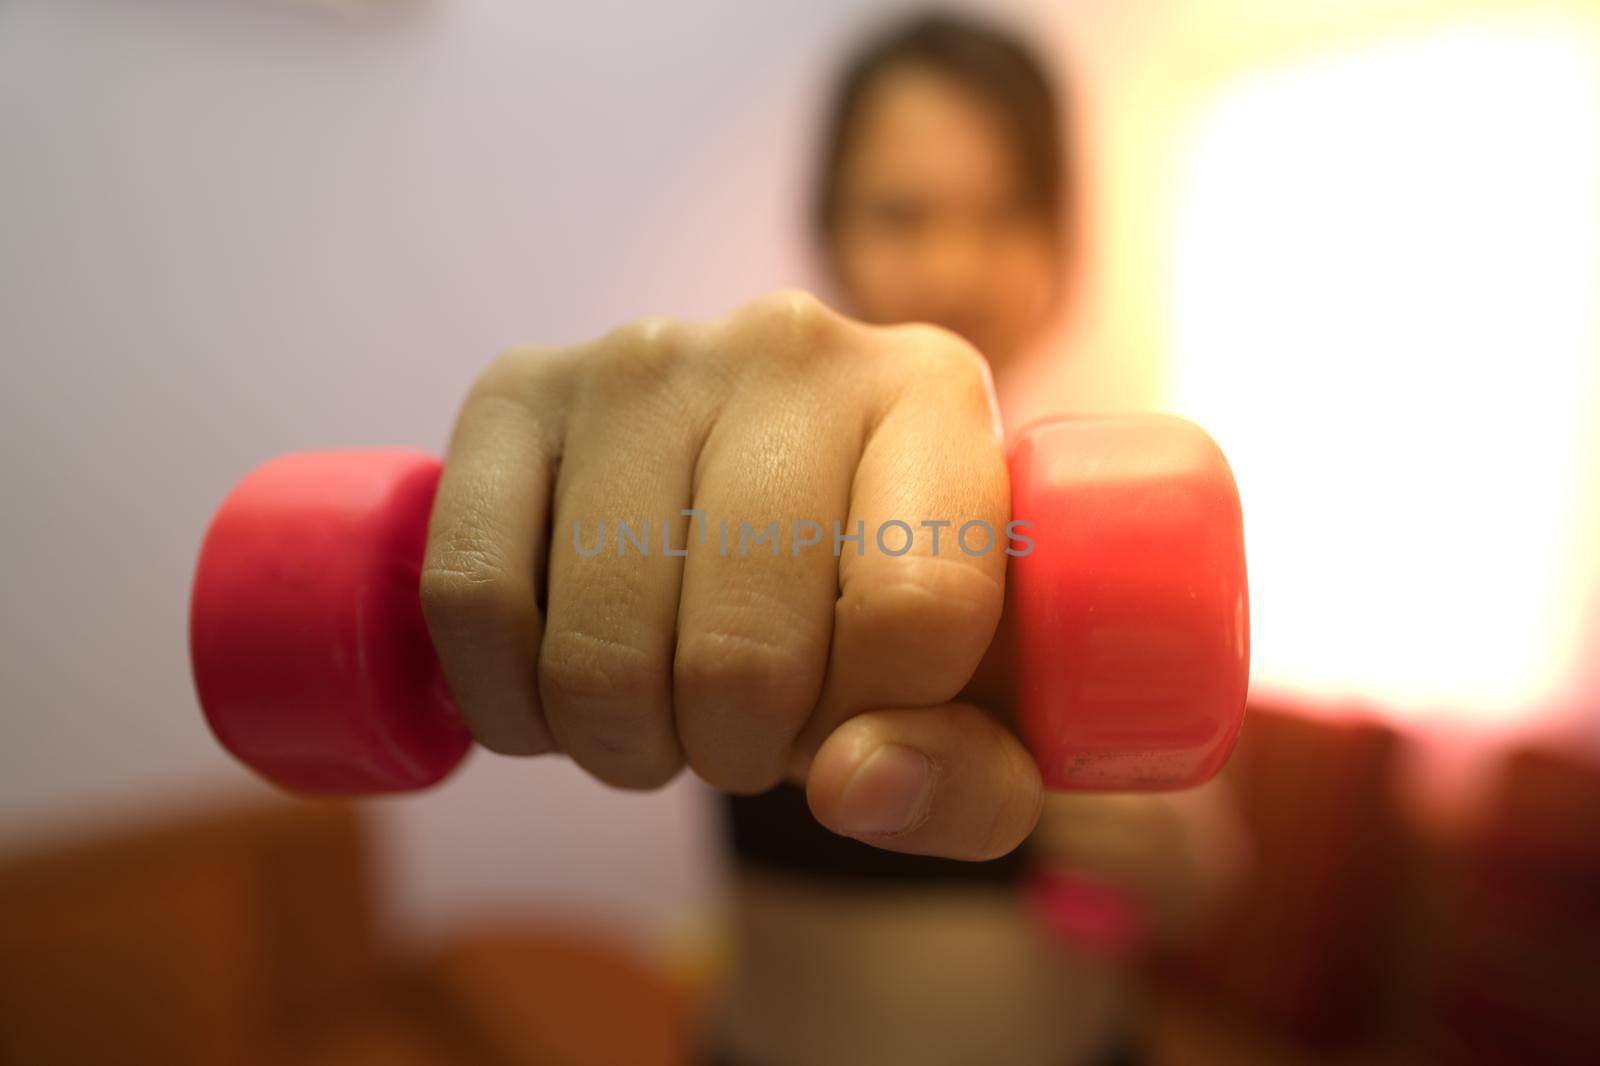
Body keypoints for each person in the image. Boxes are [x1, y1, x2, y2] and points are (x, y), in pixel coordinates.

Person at [419, 12, 1245, 1066]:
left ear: (1060, 234)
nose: (955, 264)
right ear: (832, 228)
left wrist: (1171, 860)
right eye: (903, 214)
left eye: (1004, 213)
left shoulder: (1140, 514)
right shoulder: (736, 500)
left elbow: (1208, 875)